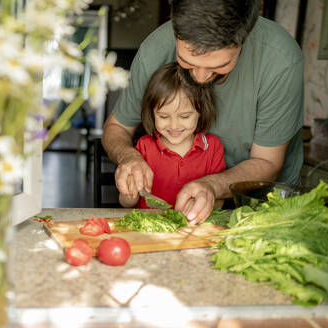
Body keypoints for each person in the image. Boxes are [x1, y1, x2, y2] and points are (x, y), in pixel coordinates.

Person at [103, 0, 304, 224]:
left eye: (218, 66)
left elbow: (267, 162)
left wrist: (212, 186)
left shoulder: (281, 60)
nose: (199, 78)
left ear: (244, 38)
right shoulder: (155, 49)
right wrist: (128, 156)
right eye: (186, 62)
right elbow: (117, 127)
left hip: (259, 203)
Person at [119, 62, 226, 209]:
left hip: (193, 228)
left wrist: (201, 204)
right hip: (148, 229)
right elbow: (125, 203)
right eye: (163, 117)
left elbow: (219, 200)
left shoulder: (213, 147)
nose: (174, 126)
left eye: (185, 116)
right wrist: (129, 194)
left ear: (201, 112)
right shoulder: (144, 147)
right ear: (152, 113)